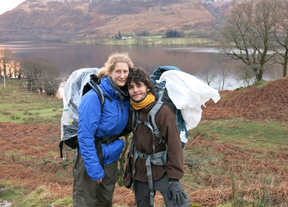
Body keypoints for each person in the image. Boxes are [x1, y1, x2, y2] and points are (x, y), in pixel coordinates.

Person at [73, 53, 134, 207]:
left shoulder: (124, 97)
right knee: (85, 201)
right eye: (118, 71)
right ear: (110, 72)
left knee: (105, 200)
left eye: (125, 72)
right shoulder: (94, 97)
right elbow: (85, 136)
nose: (122, 75)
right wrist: (94, 168)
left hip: (112, 154)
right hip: (92, 154)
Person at [125, 68, 190, 207]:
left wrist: (175, 179)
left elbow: (175, 147)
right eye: (131, 87)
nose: (135, 90)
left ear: (148, 87)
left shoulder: (163, 112)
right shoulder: (132, 111)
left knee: (178, 204)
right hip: (140, 170)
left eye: (139, 85)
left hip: (163, 170)